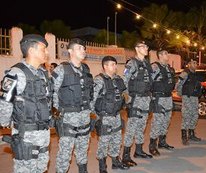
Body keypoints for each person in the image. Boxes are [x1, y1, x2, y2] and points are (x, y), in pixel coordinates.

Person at [0, 34, 52, 172]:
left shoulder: (42, 73)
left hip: (43, 133)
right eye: (43, 49)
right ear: (31, 50)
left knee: (41, 168)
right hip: (26, 134)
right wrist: (5, 121)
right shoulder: (16, 73)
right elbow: (5, 101)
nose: (47, 52)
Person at [52, 38, 93, 173]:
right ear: (70, 51)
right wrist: (59, 112)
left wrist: (91, 111)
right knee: (65, 151)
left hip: (84, 117)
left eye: (84, 48)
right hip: (68, 118)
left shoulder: (86, 70)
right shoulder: (61, 69)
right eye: (79, 48)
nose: (83, 51)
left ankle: (83, 170)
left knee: (83, 147)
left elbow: (90, 92)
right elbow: (52, 91)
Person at [90, 56, 129, 173]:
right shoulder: (99, 80)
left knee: (117, 140)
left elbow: (125, 94)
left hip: (116, 115)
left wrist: (126, 102)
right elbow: (91, 100)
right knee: (104, 142)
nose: (115, 66)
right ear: (105, 66)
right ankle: (102, 167)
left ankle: (115, 162)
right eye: (112, 64)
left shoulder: (118, 79)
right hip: (104, 116)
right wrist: (96, 117)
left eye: (115, 64)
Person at [122, 40, 153, 167]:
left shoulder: (146, 63)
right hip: (135, 100)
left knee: (142, 126)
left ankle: (139, 151)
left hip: (145, 99)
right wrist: (129, 100)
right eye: (143, 46)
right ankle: (125, 156)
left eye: (147, 46)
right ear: (137, 48)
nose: (146, 48)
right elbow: (124, 82)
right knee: (131, 128)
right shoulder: (132, 63)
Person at [148, 48, 176, 156]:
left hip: (168, 97)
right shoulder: (155, 67)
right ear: (160, 55)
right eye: (165, 53)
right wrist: (151, 97)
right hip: (159, 98)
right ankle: (152, 145)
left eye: (167, 53)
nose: (167, 55)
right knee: (157, 122)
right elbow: (149, 82)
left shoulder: (168, 68)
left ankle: (162, 142)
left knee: (166, 121)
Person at [175, 59, 202, 145]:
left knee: (194, 116)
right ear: (189, 64)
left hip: (194, 98)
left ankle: (191, 135)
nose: (195, 64)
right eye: (193, 63)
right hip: (187, 97)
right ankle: (184, 137)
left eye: (196, 63)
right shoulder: (185, 73)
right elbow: (178, 85)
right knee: (186, 116)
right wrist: (182, 95)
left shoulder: (195, 74)